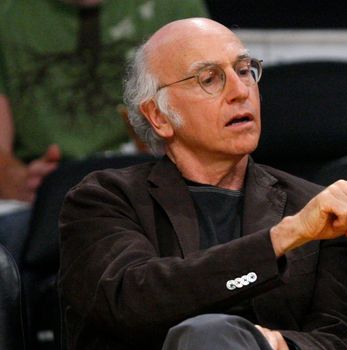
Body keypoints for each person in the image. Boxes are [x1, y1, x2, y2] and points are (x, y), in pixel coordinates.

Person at [58, 17, 347, 350]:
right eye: (209, 78)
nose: (241, 91)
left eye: (244, 71)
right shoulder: (105, 199)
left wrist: (268, 346)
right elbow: (134, 299)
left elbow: (343, 348)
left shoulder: (310, 203)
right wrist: (284, 237)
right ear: (158, 117)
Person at [0, 0, 208, 261]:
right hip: (44, 200)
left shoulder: (176, 9)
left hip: (154, 185)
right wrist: (16, 179)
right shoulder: (7, 13)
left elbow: (206, 129)